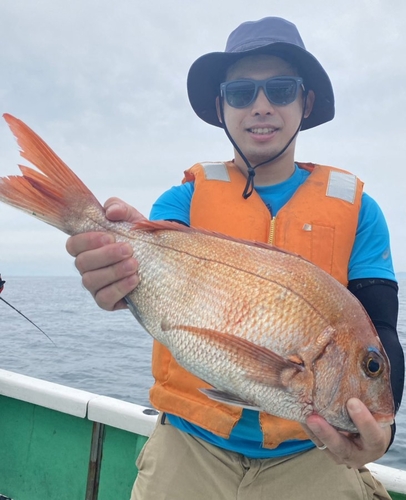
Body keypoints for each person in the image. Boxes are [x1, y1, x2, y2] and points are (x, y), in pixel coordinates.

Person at [66, 17, 404, 500]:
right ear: (221, 106)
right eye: (242, 93)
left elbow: (381, 334)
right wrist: (115, 277)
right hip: (190, 442)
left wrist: (380, 429)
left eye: (281, 90)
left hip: (313, 454)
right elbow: (159, 284)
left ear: (305, 102)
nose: (261, 106)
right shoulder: (182, 201)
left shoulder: (361, 213)